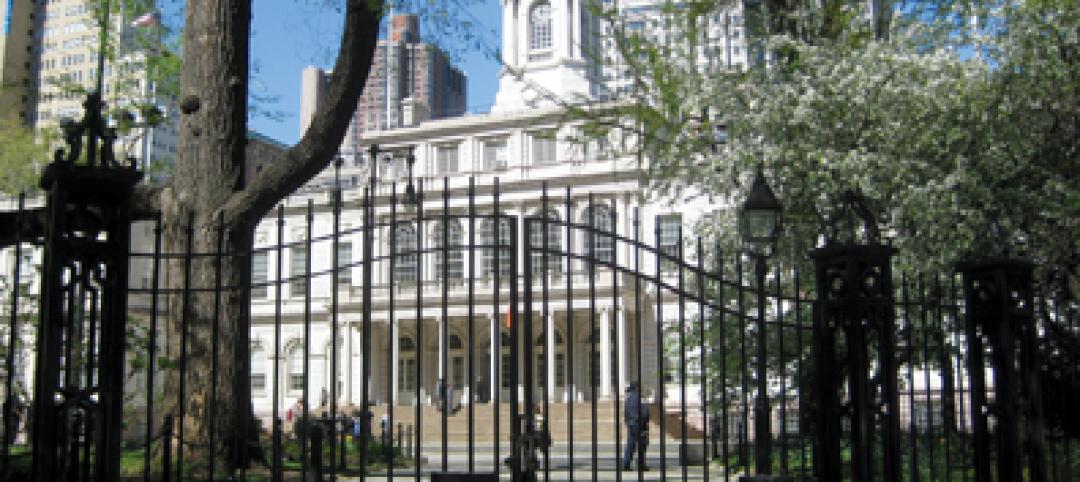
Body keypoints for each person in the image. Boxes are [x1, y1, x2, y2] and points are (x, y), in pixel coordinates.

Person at [622, 382, 649, 470]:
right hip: (640, 424)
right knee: (642, 445)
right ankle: (641, 464)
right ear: (637, 388)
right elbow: (645, 412)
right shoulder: (641, 398)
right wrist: (645, 423)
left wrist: (628, 422)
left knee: (630, 444)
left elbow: (626, 413)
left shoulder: (628, 399)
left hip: (631, 424)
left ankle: (626, 463)